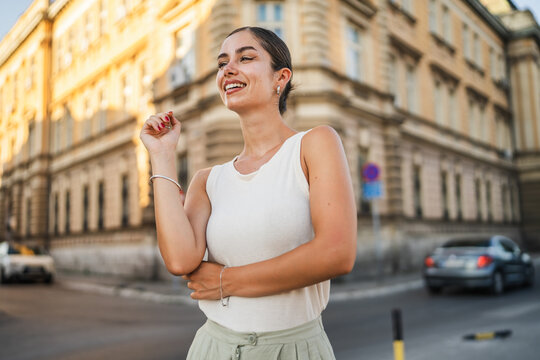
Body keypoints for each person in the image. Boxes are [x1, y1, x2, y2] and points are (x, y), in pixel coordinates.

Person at [140, 26, 357, 359]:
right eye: (222, 62)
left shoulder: (314, 144)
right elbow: (180, 259)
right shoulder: (206, 180)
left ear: (280, 78)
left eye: (246, 58)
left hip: (295, 349)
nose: (228, 68)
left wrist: (227, 280)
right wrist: (162, 155)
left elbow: (337, 252)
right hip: (213, 347)